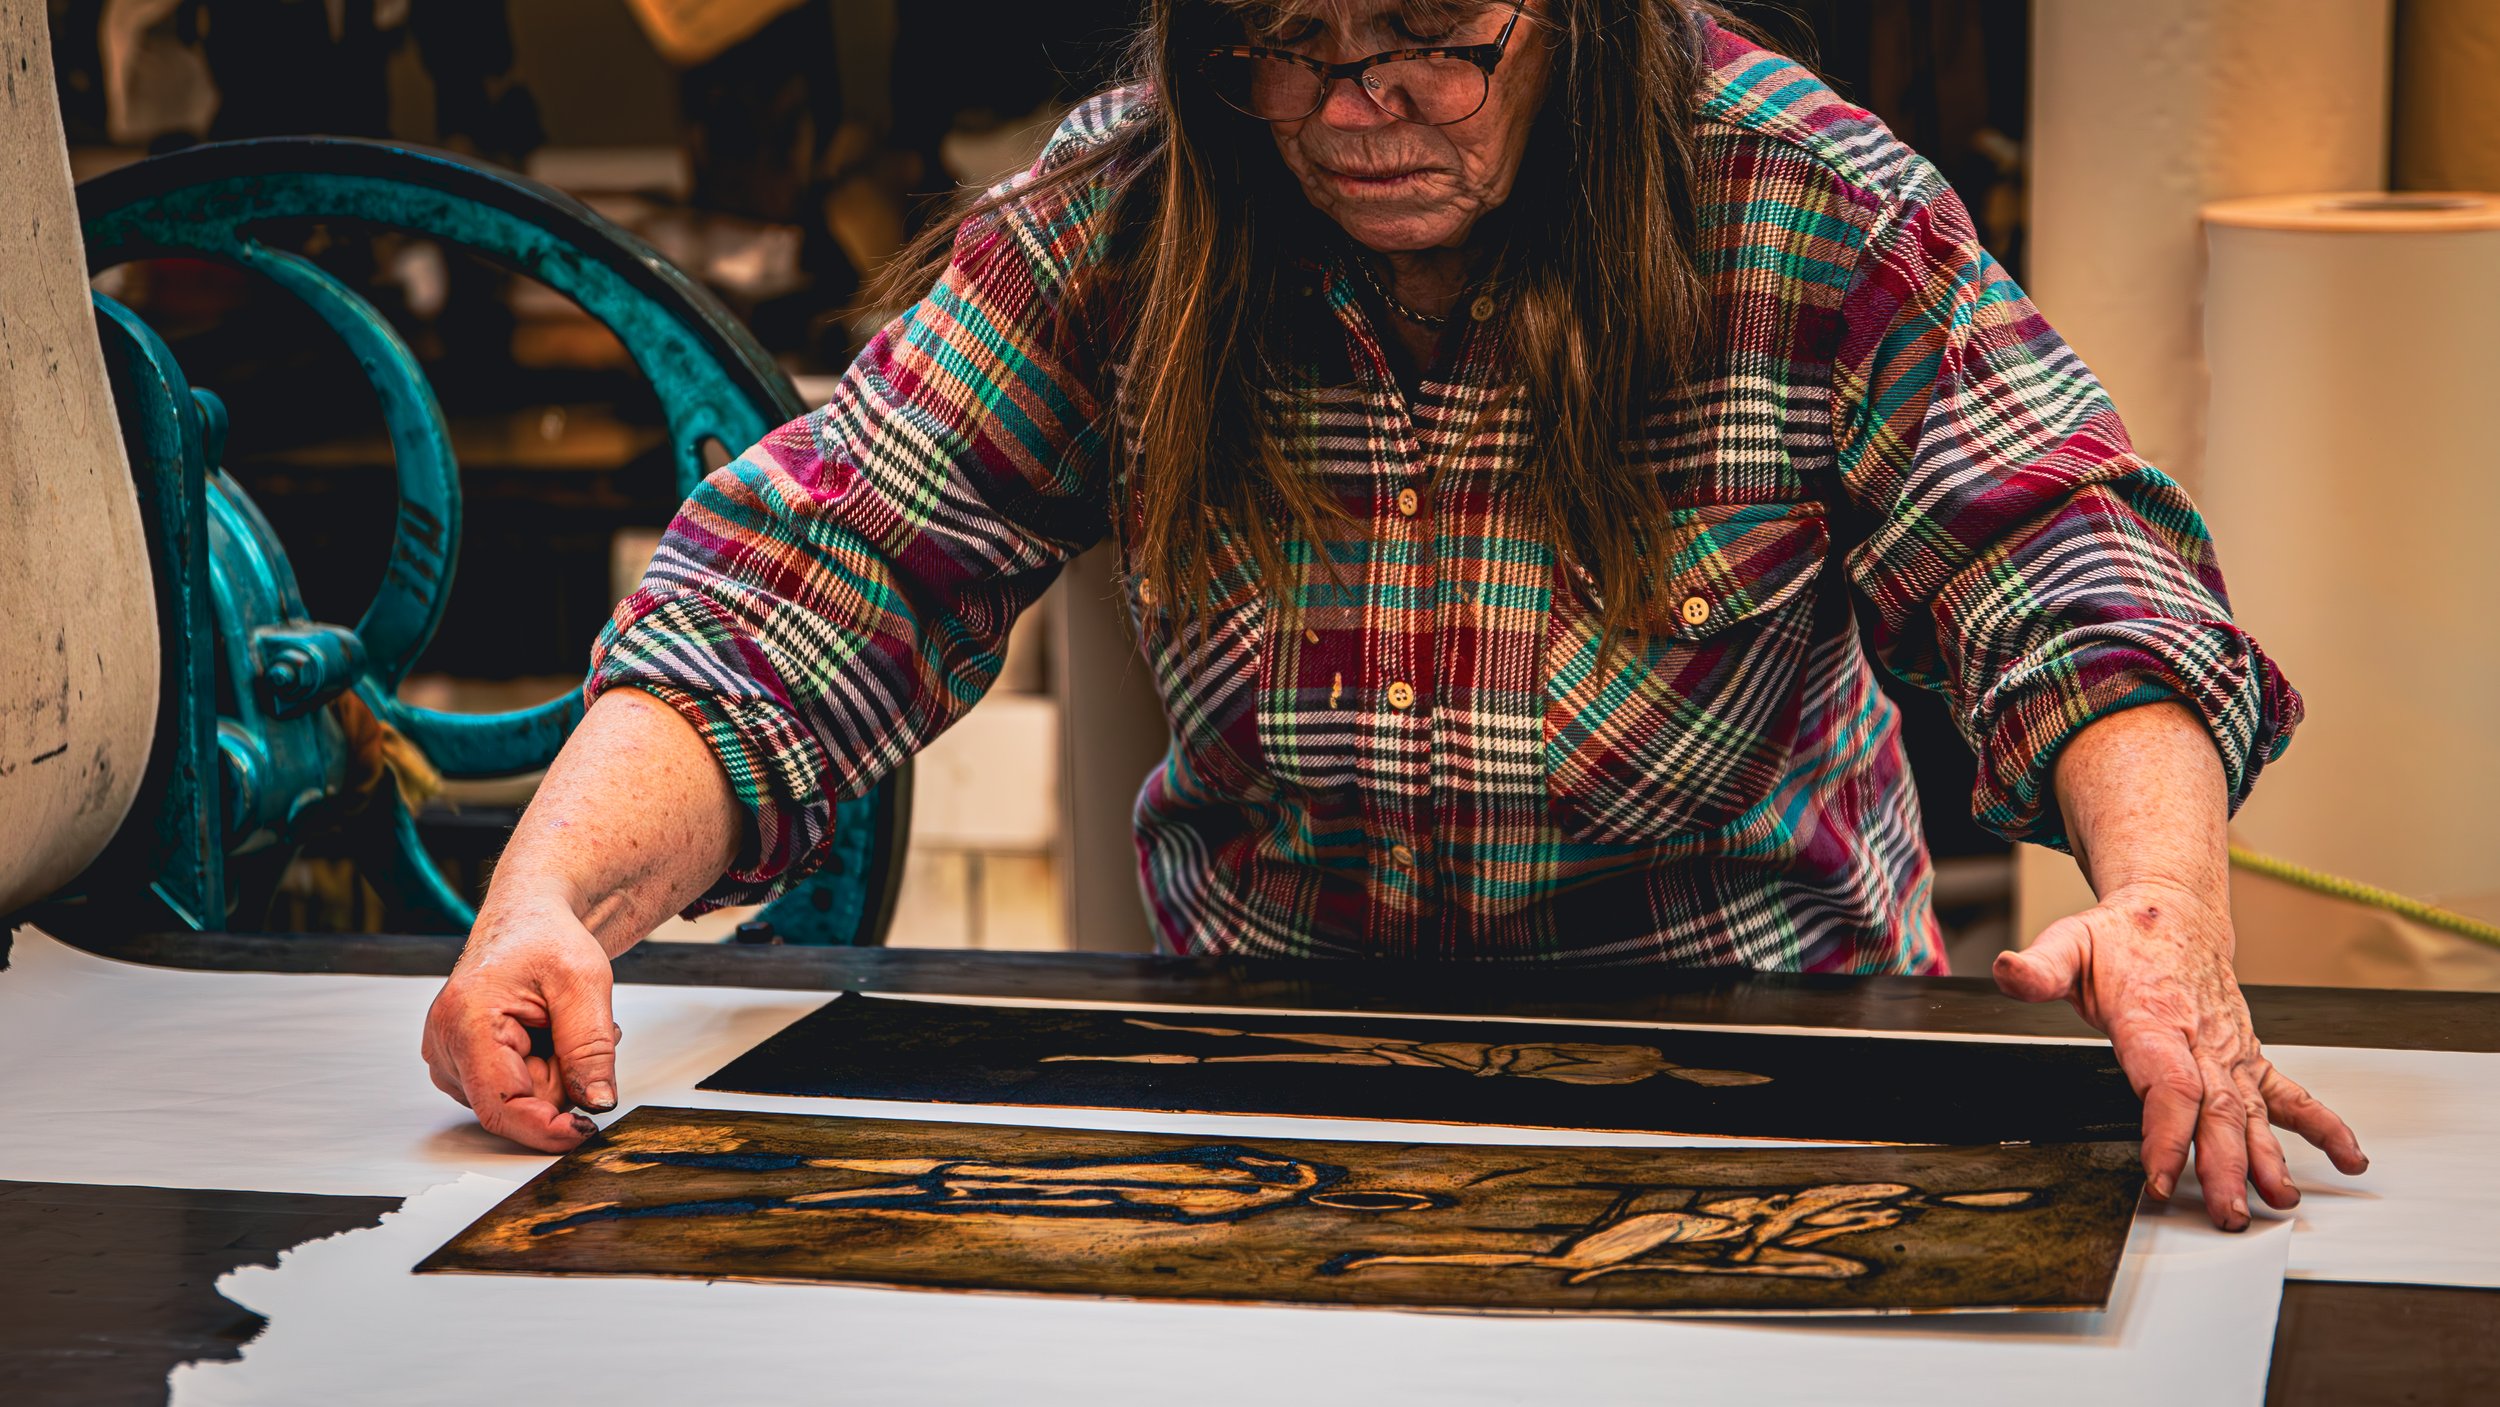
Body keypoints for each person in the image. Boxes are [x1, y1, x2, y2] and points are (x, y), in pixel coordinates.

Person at [422, 0, 2367, 1232]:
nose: (1354, 106)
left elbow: (2068, 565)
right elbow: (816, 586)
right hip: (1265, 1104)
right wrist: (548, 897)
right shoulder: (1133, 207)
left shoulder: (1800, 200)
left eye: (1433, 35)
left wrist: (2164, 905)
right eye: (1286, 41)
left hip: (1773, 1094)